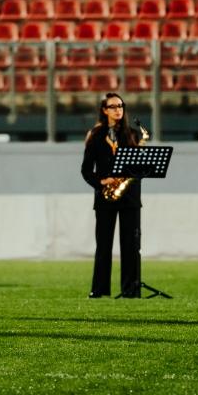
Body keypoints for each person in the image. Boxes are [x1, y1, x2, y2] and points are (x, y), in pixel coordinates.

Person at [81, 92, 143, 299]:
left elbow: (141, 168)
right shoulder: (96, 135)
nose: (118, 110)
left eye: (121, 106)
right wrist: (101, 181)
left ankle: (131, 290)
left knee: (131, 247)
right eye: (114, 106)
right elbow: (86, 170)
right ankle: (99, 290)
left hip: (130, 198)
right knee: (103, 247)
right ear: (104, 110)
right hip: (105, 197)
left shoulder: (134, 135)